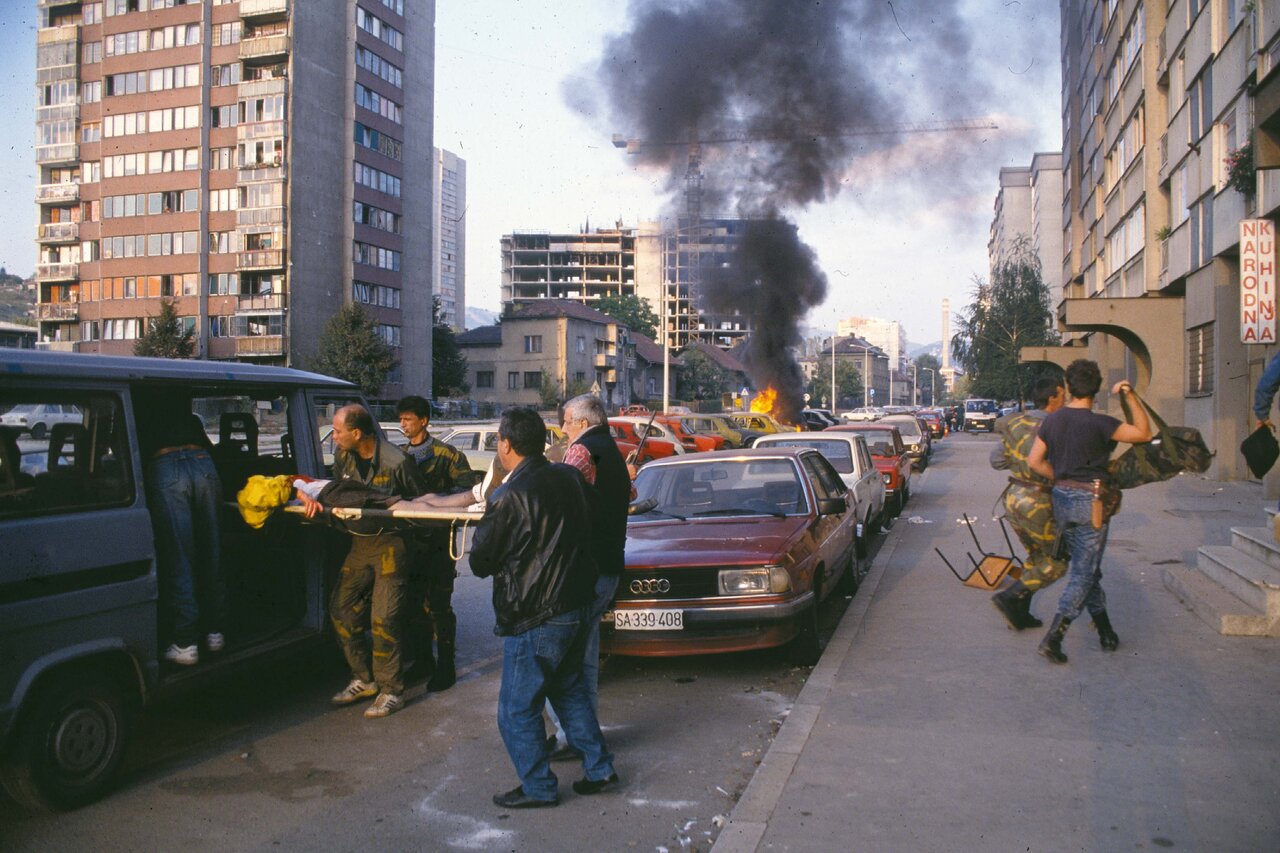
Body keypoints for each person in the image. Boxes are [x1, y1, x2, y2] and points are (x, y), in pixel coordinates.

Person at [469, 408, 618, 808]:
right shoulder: (568, 475)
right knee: (568, 691)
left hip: (535, 614)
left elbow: (479, 562)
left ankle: (538, 786)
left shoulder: (508, 494)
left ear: (505, 445)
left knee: (516, 710)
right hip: (575, 604)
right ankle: (600, 769)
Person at [300, 405, 426, 718]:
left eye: (338, 431)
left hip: (391, 545)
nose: (335, 436)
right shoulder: (344, 457)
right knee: (340, 608)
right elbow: (338, 492)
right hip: (360, 543)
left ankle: (390, 690)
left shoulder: (397, 462)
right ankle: (364, 678)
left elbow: (422, 505)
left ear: (357, 433)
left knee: (383, 618)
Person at [1028, 360, 1152, 664]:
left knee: (1088, 567)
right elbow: (1144, 433)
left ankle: (1106, 631)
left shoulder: (1052, 421)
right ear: (1095, 391)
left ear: (1068, 388)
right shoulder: (1101, 423)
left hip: (1061, 499)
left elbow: (1034, 462)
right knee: (1084, 572)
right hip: (1091, 502)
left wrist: (1057, 476)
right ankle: (1054, 637)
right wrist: (1130, 394)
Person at [545, 394, 634, 759]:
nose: (563, 428)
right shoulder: (611, 450)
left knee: (559, 660)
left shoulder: (581, 453)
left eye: (566, 421)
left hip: (583, 571)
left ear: (581, 422)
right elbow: (630, 493)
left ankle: (574, 737)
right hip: (609, 566)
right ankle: (581, 734)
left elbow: (558, 504)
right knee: (584, 659)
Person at [135, 393, 226, 666]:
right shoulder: (186, 413)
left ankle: (186, 642)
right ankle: (215, 632)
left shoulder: (143, 408)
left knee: (179, 554)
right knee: (213, 549)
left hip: (165, 465)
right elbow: (212, 449)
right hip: (202, 461)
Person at [396, 395, 478, 691]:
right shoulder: (399, 455)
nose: (403, 424)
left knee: (439, 606)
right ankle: (422, 662)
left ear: (424, 421)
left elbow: (468, 488)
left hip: (438, 542)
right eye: (401, 419)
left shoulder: (448, 455)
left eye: (408, 419)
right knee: (413, 605)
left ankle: (446, 666)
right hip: (409, 542)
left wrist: (436, 500)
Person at [989, 376, 1067, 631]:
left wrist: (1019, 462)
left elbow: (996, 461)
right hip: (1041, 500)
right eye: (1062, 392)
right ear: (1053, 396)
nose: (1065, 396)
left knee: (1035, 557)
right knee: (1057, 561)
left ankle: (1019, 614)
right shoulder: (1058, 425)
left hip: (1013, 498)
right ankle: (1010, 597)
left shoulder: (1015, 422)